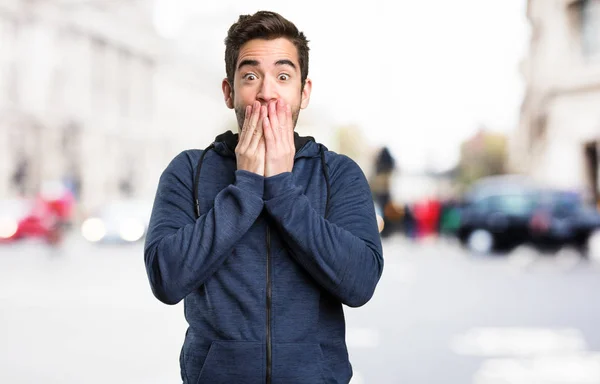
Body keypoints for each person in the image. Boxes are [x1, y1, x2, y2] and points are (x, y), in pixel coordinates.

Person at [144, 10, 384, 384]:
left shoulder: (338, 174)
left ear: (303, 93)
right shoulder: (188, 171)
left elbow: (359, 284)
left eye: (283, 77)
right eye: (251, 76)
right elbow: (166, 279)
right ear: (229, 91)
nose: (267, 92)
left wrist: (283, 190)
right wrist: (246, 187)